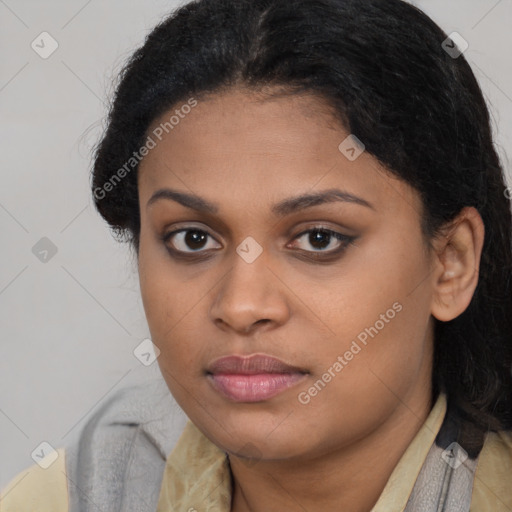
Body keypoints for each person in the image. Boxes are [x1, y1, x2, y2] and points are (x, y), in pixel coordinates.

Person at [2, 0, 512, 510]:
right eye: (192, 239)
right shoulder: (76, 494)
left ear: (451, 262)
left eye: (319, 239)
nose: (242, 306)